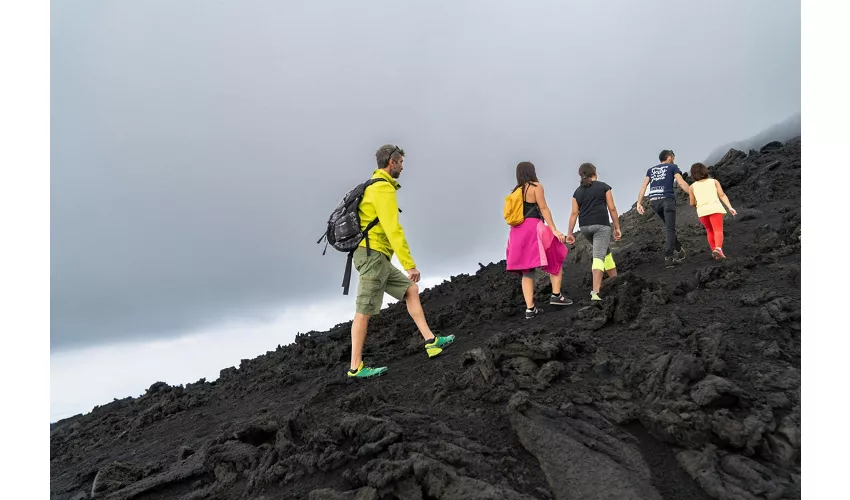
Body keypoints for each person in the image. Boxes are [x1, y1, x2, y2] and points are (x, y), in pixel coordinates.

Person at [347, 145, 455, 378]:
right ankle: (355, 368)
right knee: (364, 311)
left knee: (411, 290)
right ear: (391, 162)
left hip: (377, 256)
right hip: (372, 256)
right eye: (401, 163)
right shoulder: (383, 188)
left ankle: (430, 341)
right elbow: (392, 228)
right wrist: (409, 264)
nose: (403, 167)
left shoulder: (373, 186)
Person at [505, 161, 572, 319]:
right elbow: (543, 208)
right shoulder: (535, 187)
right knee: (556, 254)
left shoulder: (515, 192)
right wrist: (554, 229)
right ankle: (556, 295)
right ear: (532, 171)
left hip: (516, 233)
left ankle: (530, 309)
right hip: (533, 227)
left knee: (527, 271)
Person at [565, 163, 622, 301]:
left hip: (585, 228)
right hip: (601, 226)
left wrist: (570, 233)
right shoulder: (604, 187)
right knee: (598, 256)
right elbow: (612, 208)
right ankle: (595, 292)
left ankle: (616, 281)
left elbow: (574, 213)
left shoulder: (577, 192)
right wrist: (617, 227)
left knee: (605, 252)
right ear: (595, 173)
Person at [635, 149, 691, 267]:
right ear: (669, 157)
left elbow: (644, 186)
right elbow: (681, 183)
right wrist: (692, 193)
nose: (674, 161)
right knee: (670, 229)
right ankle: (669, 257)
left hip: (654, 202)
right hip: (667, 200)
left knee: (668, 227)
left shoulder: (651, 170)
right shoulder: (673, 167)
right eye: (673, 158)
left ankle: (679, 250)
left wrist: (639, 203)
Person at [688, 162, 737, 259]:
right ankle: (718, 248)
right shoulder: (714, 182)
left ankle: (716, 254)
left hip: (702, 211)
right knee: (718, 230)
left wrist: (699, 205)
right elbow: (722, 195)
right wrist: (730, 207)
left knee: (709, 230)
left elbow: (692, 203)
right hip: (715, 209)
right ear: (705, 170)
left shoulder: (692, 187)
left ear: (693, 174)